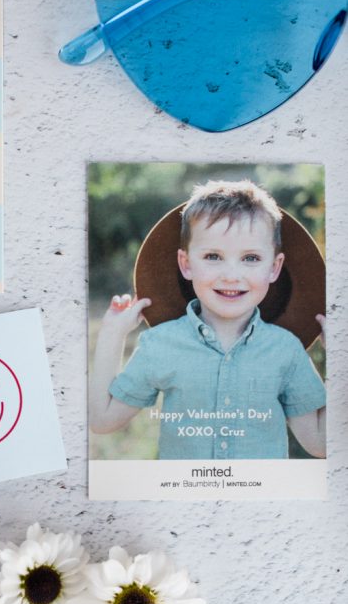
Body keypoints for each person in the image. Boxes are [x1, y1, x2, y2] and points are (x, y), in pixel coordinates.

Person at [89, 180, 326, 459]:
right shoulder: (161, 344)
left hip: (260, 488)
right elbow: (102, 421)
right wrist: (112, 334)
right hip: (183, 488)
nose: (231, 275)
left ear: (274, 268)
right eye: (213, 256)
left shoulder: (286, 350)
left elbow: (321, 444)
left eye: (250, 258)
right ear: (186, 263)